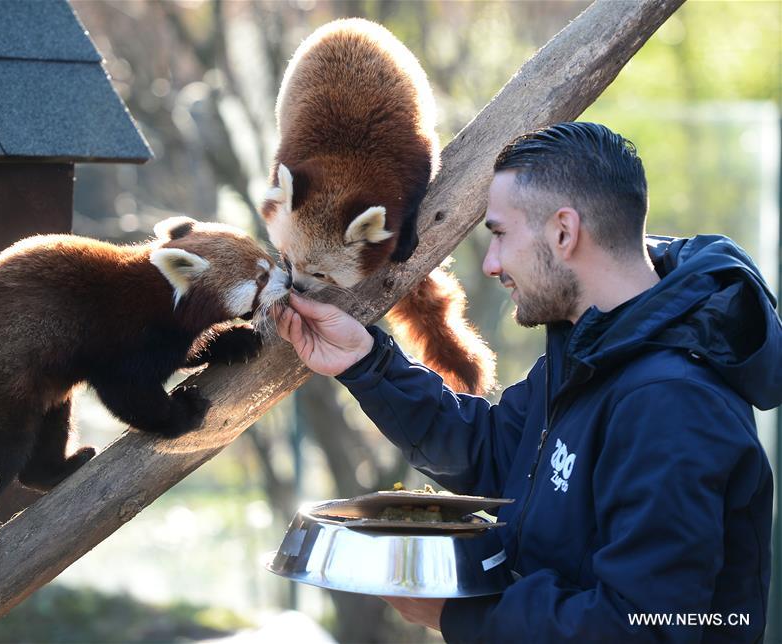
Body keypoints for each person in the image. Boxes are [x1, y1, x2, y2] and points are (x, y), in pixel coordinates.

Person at [274, 122, 781, 642]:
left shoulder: (673, 405)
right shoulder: (593, 349)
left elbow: (642, 629)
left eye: (499, 234)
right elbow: (494, 452)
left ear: (563, 232)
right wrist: (364, 363)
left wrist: (460, 613)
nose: (490, 264)